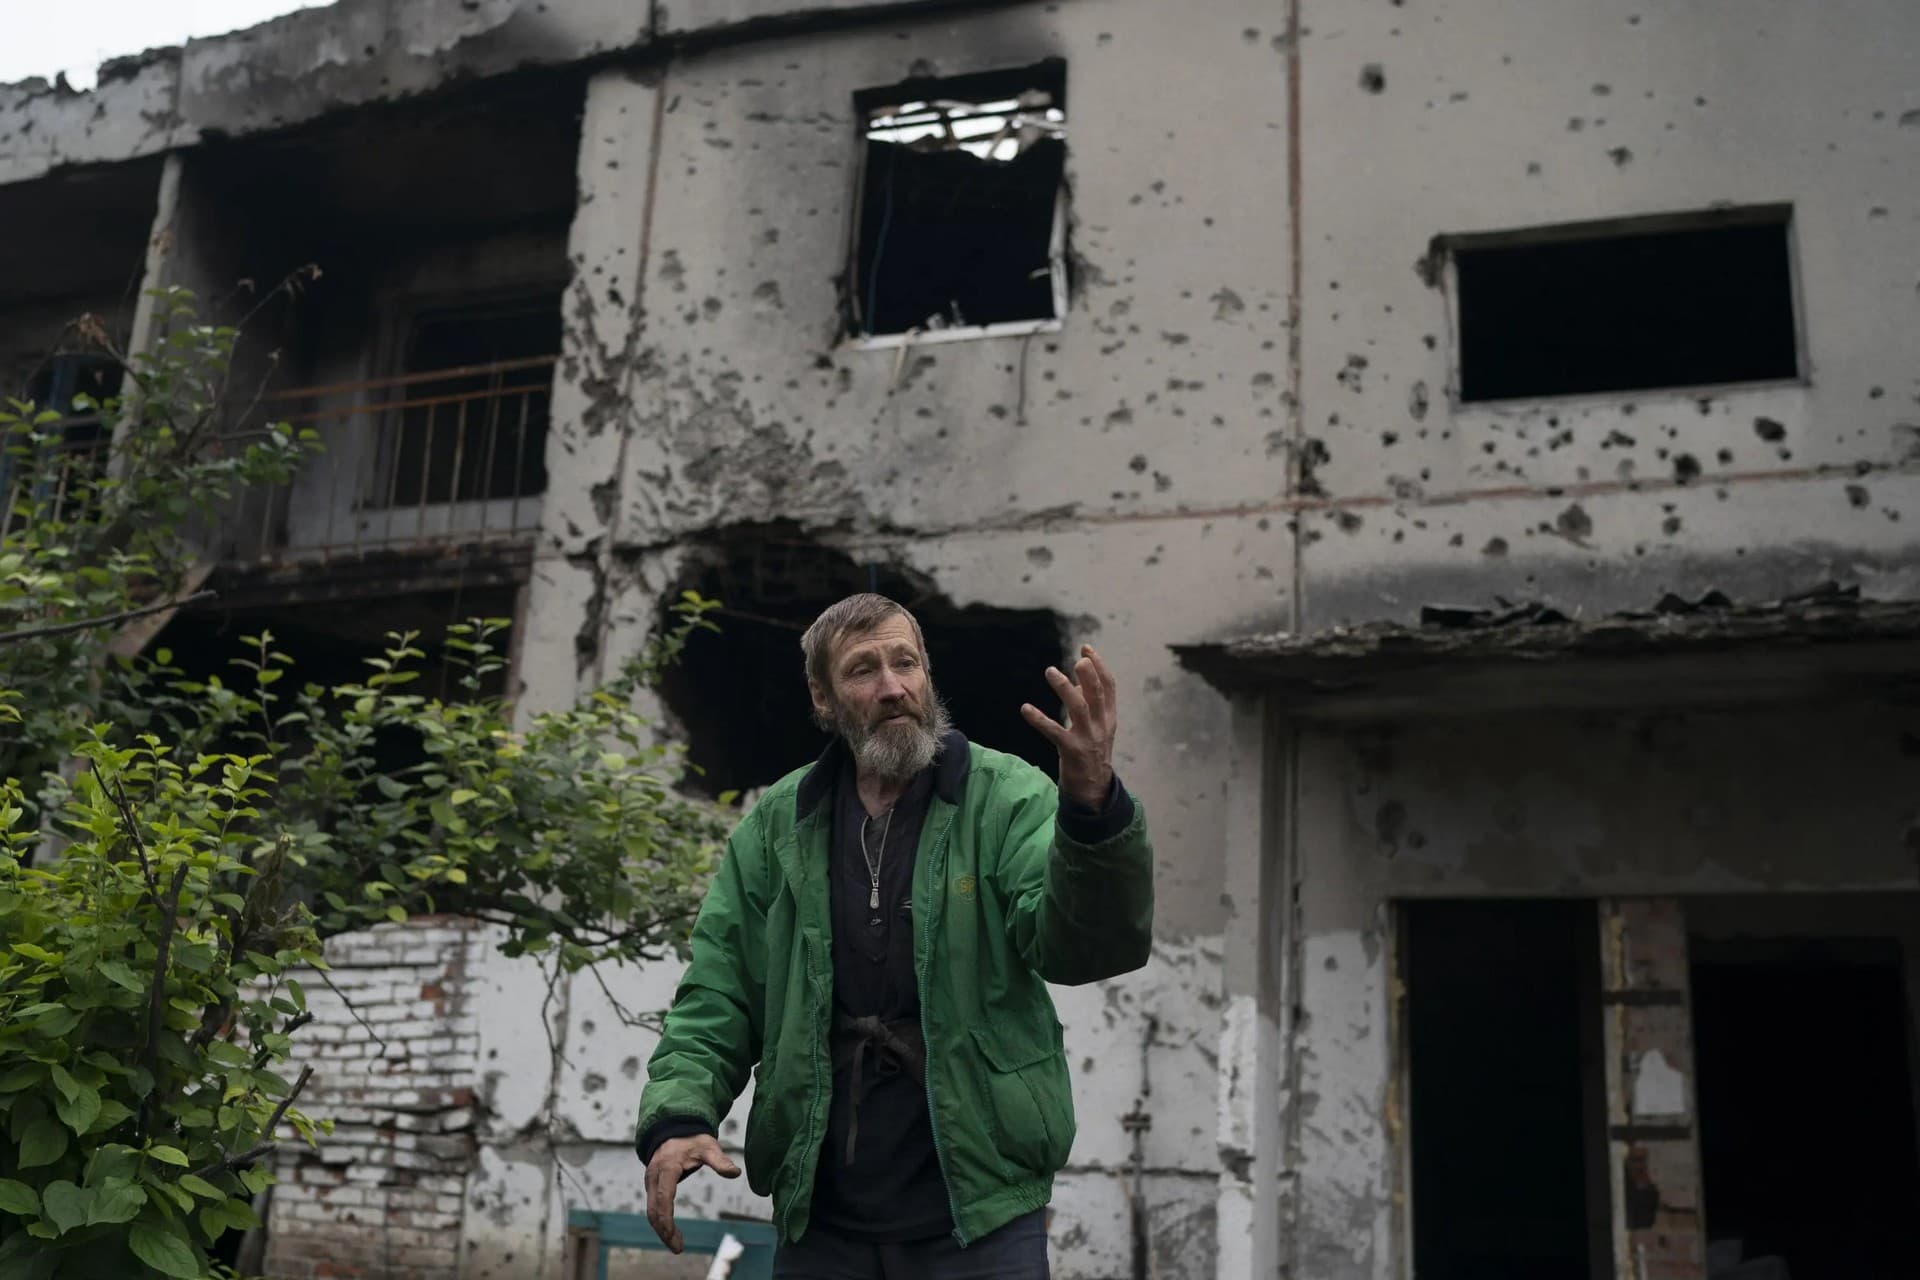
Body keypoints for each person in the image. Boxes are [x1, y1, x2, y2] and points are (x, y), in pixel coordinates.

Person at [634, 593, 1155, 1278]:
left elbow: (1084, 947)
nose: (891, 687)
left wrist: (1092, 813)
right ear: (823, 700)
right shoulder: (778, 824)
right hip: (822, 1222)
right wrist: (679, 1117)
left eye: (905, 663)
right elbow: (721, 990)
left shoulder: (1007, 799)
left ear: (927, 676)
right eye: (862, 670)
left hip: (980, 1216)